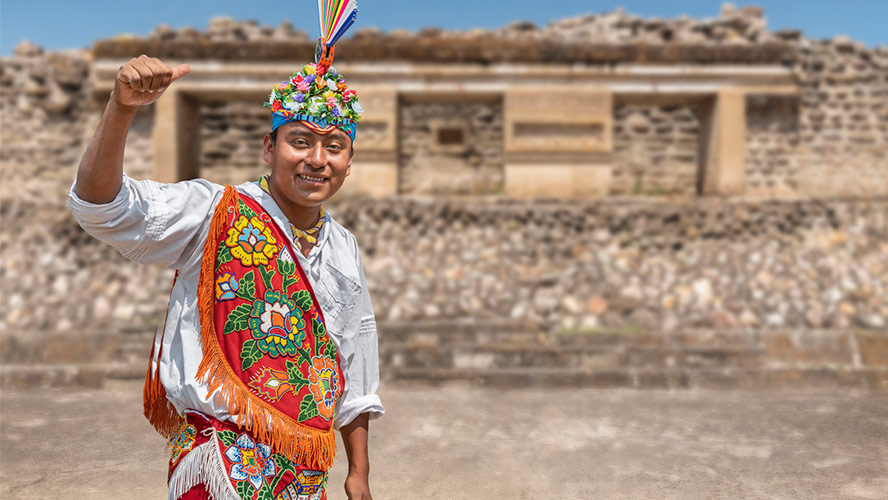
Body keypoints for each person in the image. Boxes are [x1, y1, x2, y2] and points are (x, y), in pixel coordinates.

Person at [67, 54, 383, 500]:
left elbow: (355, 359)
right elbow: (103, 208)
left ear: (349, 162)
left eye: (333, 146)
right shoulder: (215, 210)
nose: (317, 159)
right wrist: (121, 109)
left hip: (306, 473)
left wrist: (358, 473)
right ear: (269, 148)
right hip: (222, 467)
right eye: (300, 141)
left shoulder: (343, 246)